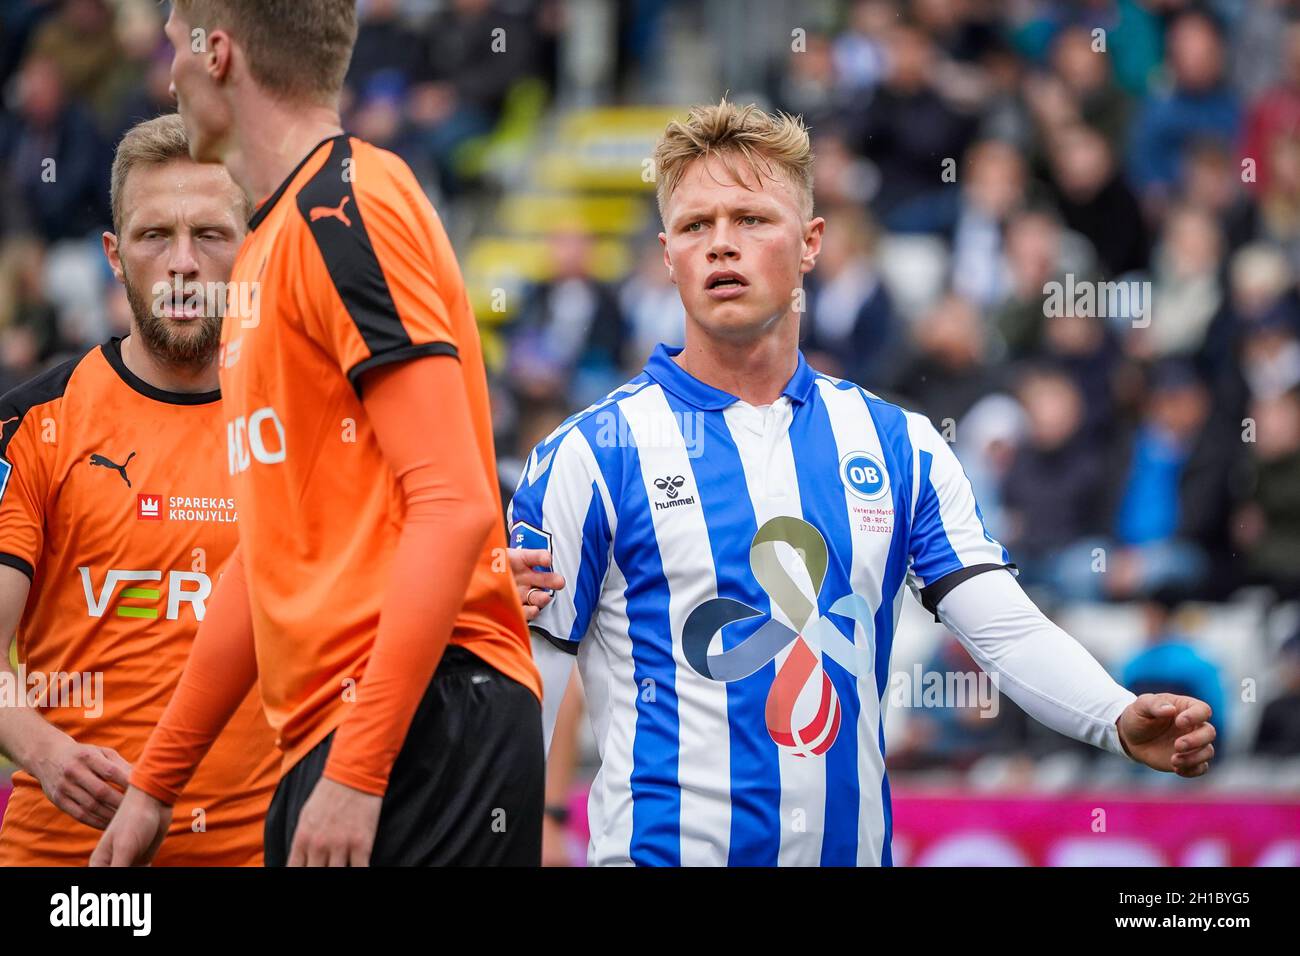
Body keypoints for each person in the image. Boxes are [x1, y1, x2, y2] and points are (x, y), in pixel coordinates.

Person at [508, 101, 1217, 867]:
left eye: (751, 219)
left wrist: (1114, 716)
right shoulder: (589, 455)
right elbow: (526, 698)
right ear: (667, 253)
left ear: (812, 242)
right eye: (694, 226)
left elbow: (1004, 628)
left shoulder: (899, 445)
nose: (720, 245)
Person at [93, 0, 541, 868]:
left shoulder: (349, 207)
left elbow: (453, 503)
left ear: (216, 53)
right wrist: (154, 787)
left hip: (421, 723)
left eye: (173, 37)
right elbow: (265, 559)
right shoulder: (269, 244)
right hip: (346, 736)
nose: (165, 61)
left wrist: (362, 769)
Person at [0, 114, 277, 865]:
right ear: (115, 257)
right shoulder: (29, 422)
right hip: (66, 863)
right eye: (156, 236)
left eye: (211, 235)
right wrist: (43, 750)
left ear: (252, 251)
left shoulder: (308, 427)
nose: (183, 263)